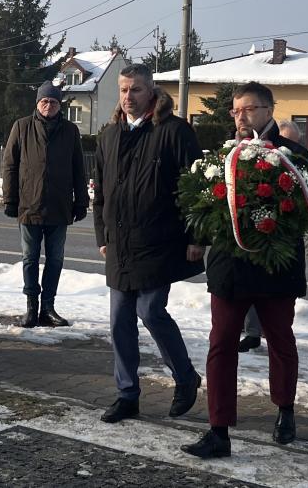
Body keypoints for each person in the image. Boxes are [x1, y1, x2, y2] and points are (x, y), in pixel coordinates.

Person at [181, 82, 308, 458]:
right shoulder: (222, 156)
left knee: (280, 342)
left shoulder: (294, 156)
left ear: (269, 110)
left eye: (248, 109)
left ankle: (285, 410)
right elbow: (203, 203)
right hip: (229, 269)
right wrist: (200, 236)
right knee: (221, 345)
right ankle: (218, 430)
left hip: (276, 270)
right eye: (235, 110)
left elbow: (305, 211)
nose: (240, 116)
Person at [93, 64, 203, 424]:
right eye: (124, 90)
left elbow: (195, 190)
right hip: (119, 244)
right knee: (118, 321)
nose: (128, 97)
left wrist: (196, 238)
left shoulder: (174, 131)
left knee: (150, 311)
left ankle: (185, 377)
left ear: (152, 92)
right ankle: (127, 395)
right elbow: (101, 194)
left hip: (159, 241)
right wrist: (102, 237)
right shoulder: (110, 135)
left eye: (136, 90)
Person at [2, 81, 89, 328]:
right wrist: (10, 198)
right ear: (37, 103)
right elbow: (9, 165)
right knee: (30, 259)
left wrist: (81, 201)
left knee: (55, 260)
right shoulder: (21, 127)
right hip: (29, 205)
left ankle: (48, 308)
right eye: (44, 101)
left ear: (58, 104)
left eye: (52, 101)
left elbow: (78, 168)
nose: (48, 105)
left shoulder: (70, 131)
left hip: (59, 206)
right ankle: (31, 307)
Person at [239, 119, 303, 353]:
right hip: (253, 240)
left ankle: (267, 332)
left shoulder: (298, 159)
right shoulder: (249, 156)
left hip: (283, 245)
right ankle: (253, 332)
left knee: (280, 328)